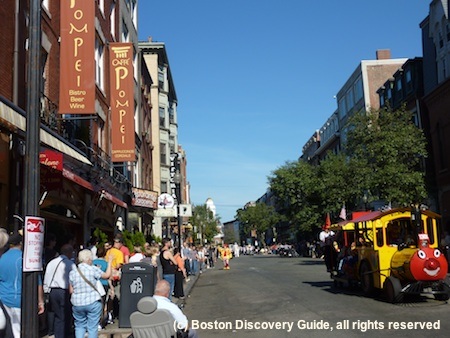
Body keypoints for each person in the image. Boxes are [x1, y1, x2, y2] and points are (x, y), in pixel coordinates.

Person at [0, 233, 45, 338]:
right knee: (19, 330)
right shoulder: (26, 259)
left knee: (10, 330)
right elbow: (37, 282)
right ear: (21, 243)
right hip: (20, 299)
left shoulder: (2, 258)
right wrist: (41, 301)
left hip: (4, 299)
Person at [69, 249, 112, 338]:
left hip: (77, 303)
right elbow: (107, 275)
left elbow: (71, 290)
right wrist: (110, 262)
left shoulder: (73, 272)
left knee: (79, 326)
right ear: (88, 259)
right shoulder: (92, 269)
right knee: (92, 327)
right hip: (92, 301)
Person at [43, 244, 75, 338]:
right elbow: (74, 279)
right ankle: (64, 334)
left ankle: (58, 334)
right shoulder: (70, 264)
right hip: (64, 291)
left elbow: (47, 276)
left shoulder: (51, 263)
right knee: (65, 315)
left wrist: (46, 290)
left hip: (53, 291)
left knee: (58, 316)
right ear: (69, 252)